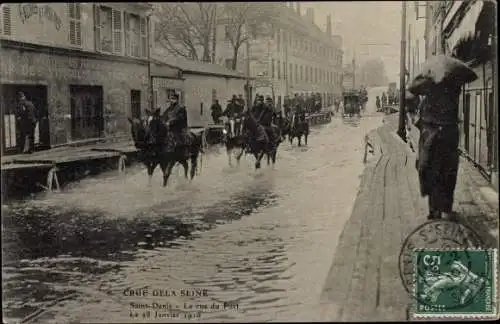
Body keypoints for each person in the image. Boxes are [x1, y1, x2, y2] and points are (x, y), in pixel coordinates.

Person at [409, 80, 462, 220]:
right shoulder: (451, 101)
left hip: (432, 146)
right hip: (447, 146)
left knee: (432, 177)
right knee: (447, 177)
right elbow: (454, 125)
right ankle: (445, 208)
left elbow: (421, 124)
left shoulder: (426, 102)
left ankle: (434, 210)